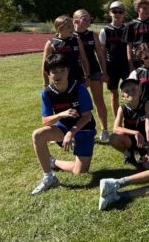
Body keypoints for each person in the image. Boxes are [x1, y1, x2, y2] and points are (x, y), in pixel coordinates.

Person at [31, 55, 96, 195]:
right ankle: (49, 177)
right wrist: (61, 114)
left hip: (84, 130)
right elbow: (45, 121)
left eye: (62, 70)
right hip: (63, 129)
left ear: (68, 71)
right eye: (54, 71)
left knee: (80, 172)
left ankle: (53, 162)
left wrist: (71, 132)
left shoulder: (79, 88)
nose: (58, 74)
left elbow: (87, 116)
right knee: (38, 135)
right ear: (48, 74)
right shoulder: (47, 93)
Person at [72, 8, 109, 142]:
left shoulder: (92, 35)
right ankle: (74, 130)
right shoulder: (70, 36)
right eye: (84, 18)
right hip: (76, 73)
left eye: (89, 18)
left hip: (94, 71)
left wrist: (104, 71)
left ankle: (104, 130)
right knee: (75, 103)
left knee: (99, 100)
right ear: (76, 20)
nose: (88, 21)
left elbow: (99, 54)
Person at [109, 77, 149, 169]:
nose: (131, 92)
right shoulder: (122, 108)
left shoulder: (147, 104)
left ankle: (144, 155)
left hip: (144, 140)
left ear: (140, 92)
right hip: (130, 140)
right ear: (123, 96)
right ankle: (129, 155)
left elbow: (148, 127)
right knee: (113, 138)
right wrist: (135, 132)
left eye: (134, 89)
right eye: (127, 91)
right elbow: (116, 128)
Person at [41, 15, 88, 87]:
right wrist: (46, 82)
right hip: (59, 79)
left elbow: (84, 59)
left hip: (77, 77)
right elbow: (45, 65)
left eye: (72, 26)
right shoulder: (51, 43)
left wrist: (87, 76)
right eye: (69, 27)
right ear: (59, 29)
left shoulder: (77, 40)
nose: (72, 28)